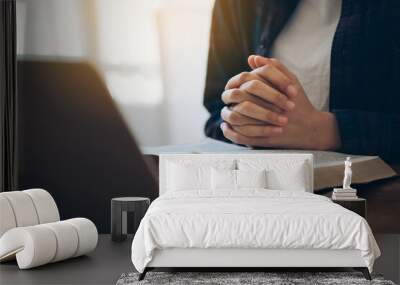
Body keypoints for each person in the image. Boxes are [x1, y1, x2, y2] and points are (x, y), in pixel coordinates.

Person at [203, 0, 400, 162]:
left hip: (376, 199)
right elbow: (217, 107)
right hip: (263, 190)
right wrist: (243, 122)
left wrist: (328, 131)